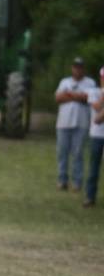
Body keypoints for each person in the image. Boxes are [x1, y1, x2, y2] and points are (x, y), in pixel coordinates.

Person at [55, 57, 96, 191]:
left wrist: (69, 94)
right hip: (63, 123)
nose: (77, 70)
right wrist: (78, 96)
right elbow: (58, 98)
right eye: (75, 67)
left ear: (83, 69)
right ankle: (62, 180)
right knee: (62, 152)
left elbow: (89, 98)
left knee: (78, 153)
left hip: (81, 123)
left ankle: (77, 182)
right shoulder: (64, 81)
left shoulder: (90, 83)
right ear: (72, 68)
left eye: (80, 67)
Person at [84, 66, 104, 207]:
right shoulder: (94, 92)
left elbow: (99, 117)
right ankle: (90, 197)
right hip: (97, 135)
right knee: (93, 168)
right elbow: (97, 107)